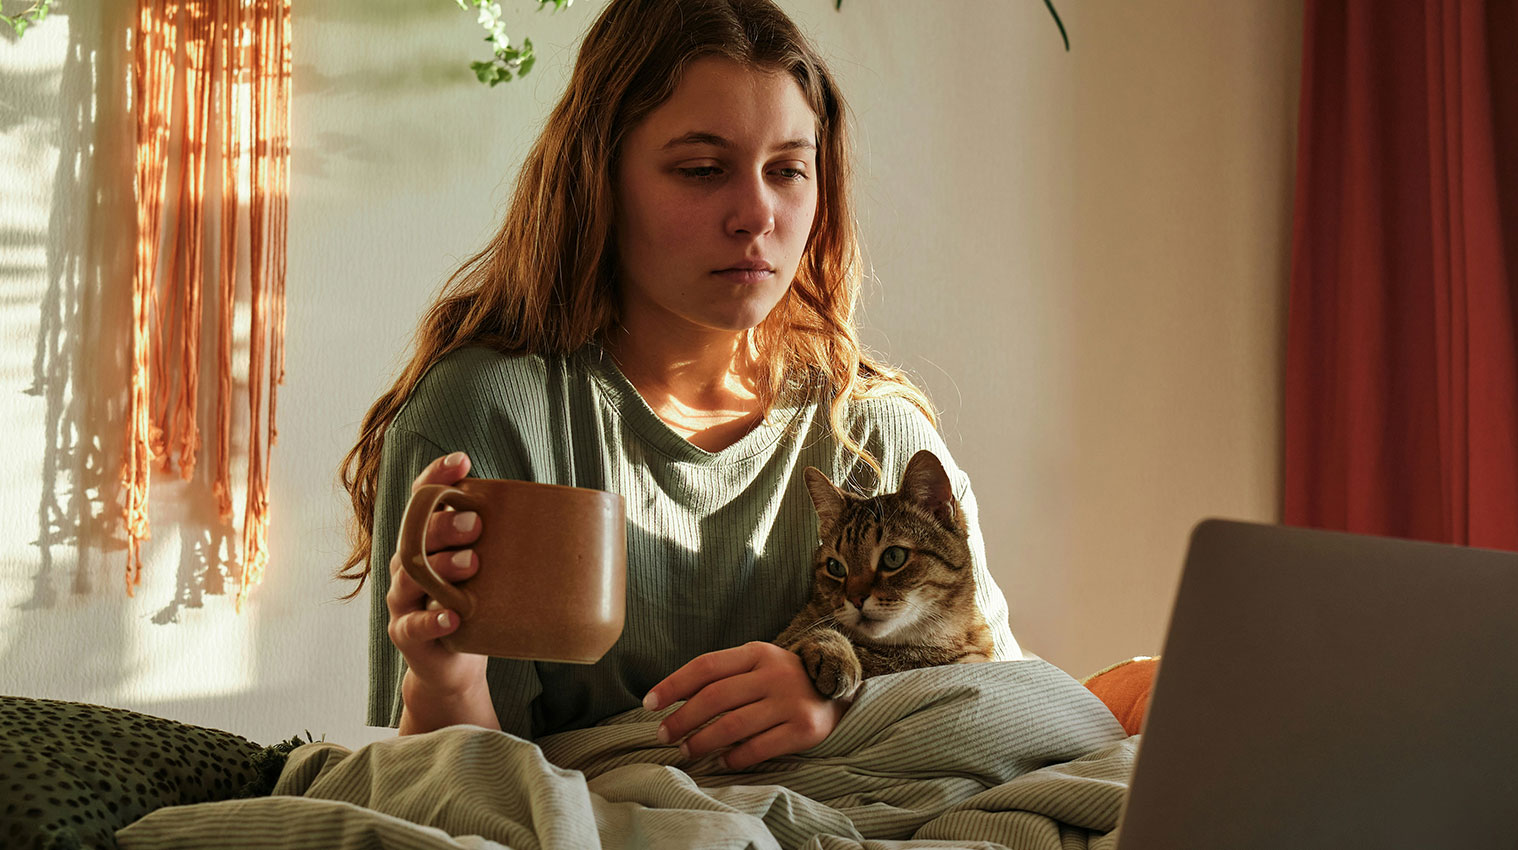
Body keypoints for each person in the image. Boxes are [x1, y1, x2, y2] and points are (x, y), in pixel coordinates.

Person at [336, 0, 1021, 771]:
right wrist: (443, 679)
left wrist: (836, 704)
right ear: (601, 176)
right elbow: (461, 788)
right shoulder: (489, 418)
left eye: (789, 170)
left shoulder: (879, 436)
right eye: (702, 170)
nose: (758, 214)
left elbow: (1000, 704)